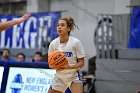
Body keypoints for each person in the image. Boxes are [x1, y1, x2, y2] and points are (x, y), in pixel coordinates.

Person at [48, 16, 85, 93]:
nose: (59, 27)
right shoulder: (53, 43)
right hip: (60, 76)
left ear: (68, 29)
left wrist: (69, 67)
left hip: (74, 75)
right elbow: (50, 64)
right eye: (58, 25)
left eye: (62, 25)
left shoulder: (75, 42)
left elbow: (82, 63)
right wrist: (55, 65)